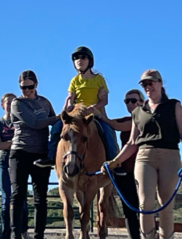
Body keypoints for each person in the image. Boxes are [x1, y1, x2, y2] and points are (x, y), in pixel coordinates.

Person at [101, 70, 182, 239]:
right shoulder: (138, 112)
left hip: (170, 155)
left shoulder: (174, 106)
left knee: (166, 205)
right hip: (144, 156)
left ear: (160, 83)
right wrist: (115, 162)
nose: (148, 86)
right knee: (144, 204)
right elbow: (132, 143)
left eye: (151, 82)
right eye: (144, 83)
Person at [34, 46, 125, 176]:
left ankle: (113, 163)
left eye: (83, 57)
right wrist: (69, 106)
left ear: (90, 61)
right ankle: (51, 156)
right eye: (76, 58)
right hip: (76, 114)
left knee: (108, 131)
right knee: (56, 127)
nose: (79, 60)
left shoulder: (99, 79)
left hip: (94, 114)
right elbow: (71, 98)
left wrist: (94, 107)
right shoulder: (74, 81)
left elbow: (104, 100)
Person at [8, 70, 58, 239]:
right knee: (18, 194)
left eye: (30, 87)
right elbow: (36, 123)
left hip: (40, 153)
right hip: (20, 152)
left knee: (40, 198)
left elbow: (55, 125)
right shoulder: (17, 103)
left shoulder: (44, 102)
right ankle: (15, 237)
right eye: (23, 87)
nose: (27, 90)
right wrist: (60, 116)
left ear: (36, 85)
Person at [92, 89, 146, 239]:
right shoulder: (125, 119)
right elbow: (111, 124)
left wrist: (100, 115)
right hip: (126, 171)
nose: (130, 104)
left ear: (141, 102)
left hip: (144, 170)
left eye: (133, 100)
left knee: (144, 208)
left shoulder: (140, 120)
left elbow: (116, 126)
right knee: (129, 209)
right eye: (127, 101)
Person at [0, 93, 31, 239]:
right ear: (2, 105)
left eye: (12, 102)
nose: (9, 105)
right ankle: (5, 236)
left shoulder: (21, 121)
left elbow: (26, 141)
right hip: (4, 162)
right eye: (7, 103)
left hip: (19, 161)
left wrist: (5, 143)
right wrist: (14, 142)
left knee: (21, 198)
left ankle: (23, 233)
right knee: (6, 199)